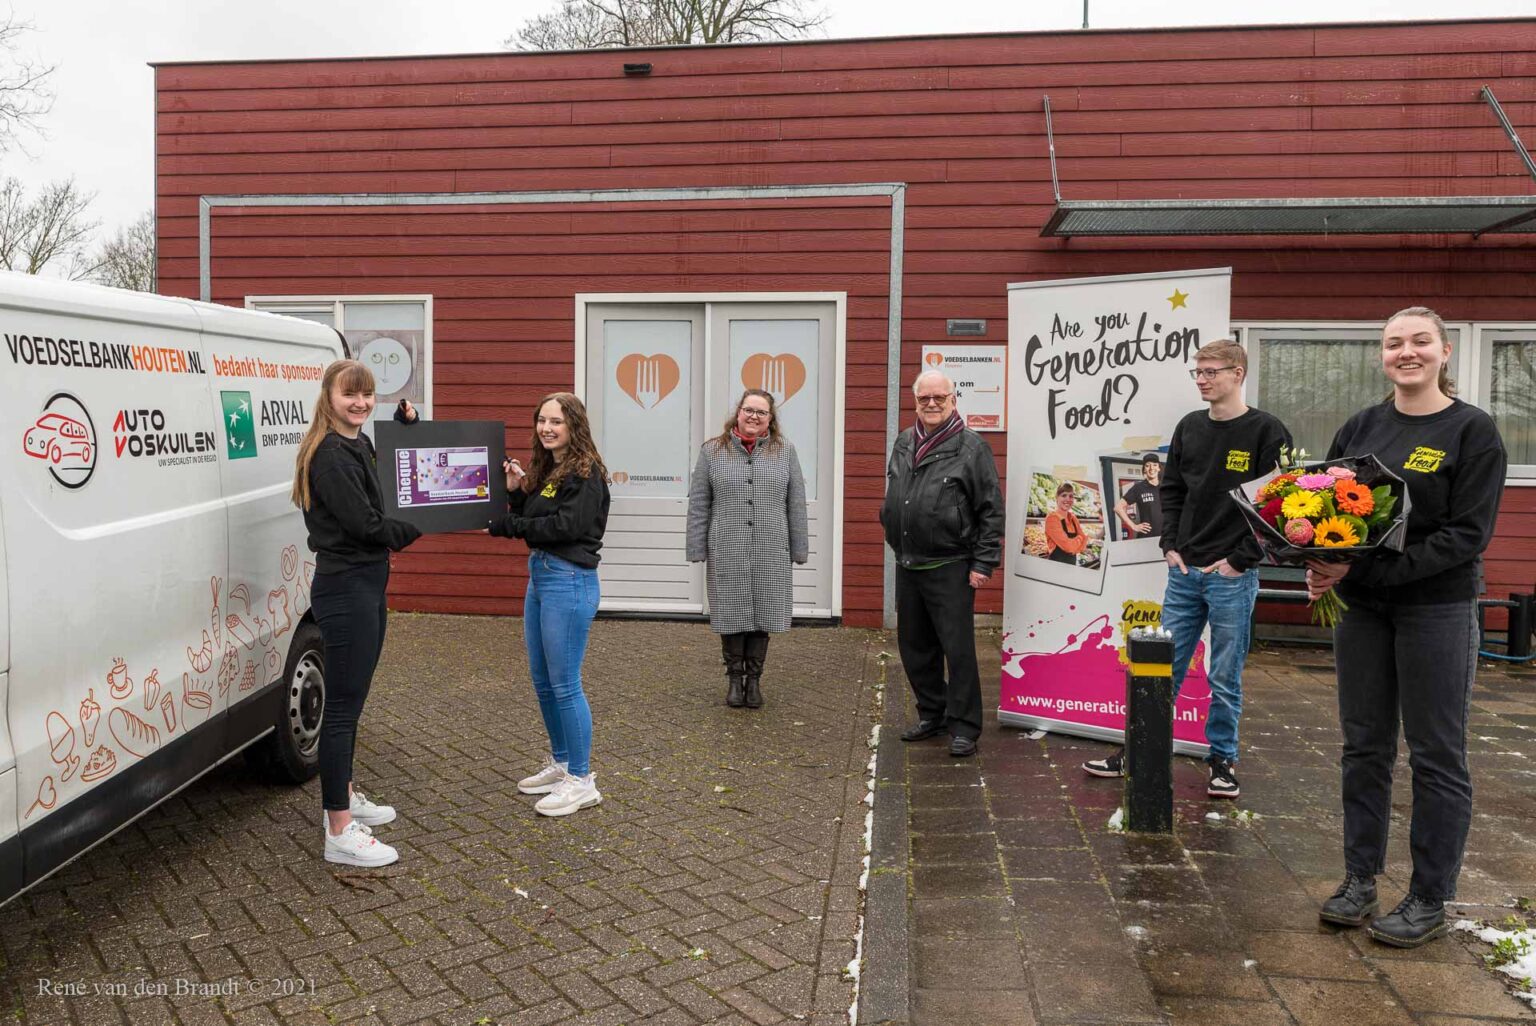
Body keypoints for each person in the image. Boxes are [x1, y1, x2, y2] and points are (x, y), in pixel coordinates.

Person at [1308, 307, 1506, 947]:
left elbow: (1466, 537)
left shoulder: (1471, 431)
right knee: (1363, 746)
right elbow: (1324, 502)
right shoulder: (1362, 426)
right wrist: (1320, 559)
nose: (1407, 352)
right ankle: (1359, 878)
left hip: (1437, 610)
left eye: (1420, 341)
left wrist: (1364, 575)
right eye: (1395, 344)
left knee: (1435, 754)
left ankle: (1428, 896)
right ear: (1382, 356)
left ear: (1445, 351)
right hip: (1364, 614)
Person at [1083, 339, 1291, 799]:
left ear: (1238, 373)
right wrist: (1169, 544)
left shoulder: (1266, 431)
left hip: (1231, 577)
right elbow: (1172, 491)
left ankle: (1222, 760)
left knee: (1224, 674)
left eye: (1211, 371)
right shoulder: (1189, 427)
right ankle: (1136, 751)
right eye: (1197, 371)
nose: (1201, 379)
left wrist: (1239, 562)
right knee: (1160, 667)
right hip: (1184, 571)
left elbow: (1277, 508)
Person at [293, 360, 422, 868]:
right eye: (351, 395)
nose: (361, 403)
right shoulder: (329, 456)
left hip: (366, 582)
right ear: (329, 396)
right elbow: (368, 524)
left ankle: (344, 792)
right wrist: (417, 526)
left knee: (354, 695)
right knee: (342, 707)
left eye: (368, 395)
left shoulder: (356, 444)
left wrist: (408, 428)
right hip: (346, 587)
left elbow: (386, 472)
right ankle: (339, 829)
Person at [489, 392, 611, 818]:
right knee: (542, 680)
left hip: (569, 581)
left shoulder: (587, 473)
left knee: (565, 683)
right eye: (542, 420)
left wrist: (512, 525)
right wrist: (518, 494)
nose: (547, 428)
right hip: (542, 577)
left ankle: (582, 780)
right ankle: (561, 764)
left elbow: (566, 526)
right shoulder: (552, 469)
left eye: (556, 422)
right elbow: (540, 514)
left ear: (574, 425)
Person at [881, 368, 1004, 758]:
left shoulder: (972, 447)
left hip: (951, 563)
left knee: (958, 649)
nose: (931, 404)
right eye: (924, 399)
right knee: (915, 646)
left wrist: (983, 563)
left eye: (939, 398)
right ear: (915, 401)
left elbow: (990, 509)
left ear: (954, 400)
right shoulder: (904, 441)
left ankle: (965, 726)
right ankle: (932, 714)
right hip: (909, 561)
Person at [686, 388, 809, 708]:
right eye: (748, 410)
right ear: (738, 412)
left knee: (763, 616)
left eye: (762, 412)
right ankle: (734, 681)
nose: (754, 416)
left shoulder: (785, 452)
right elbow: (699, 502)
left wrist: (799, 547)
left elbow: (795, 502)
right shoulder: (712, 451)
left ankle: (754, 681)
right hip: (727, 545)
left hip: (771, 546)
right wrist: (696, 546)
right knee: (731, 615)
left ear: (771, 419)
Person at [1115, 453, 1164, 540]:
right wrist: (1134, 526)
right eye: (1147, 466)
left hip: (1166, 538)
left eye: (1154, 465)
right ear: (1144, 469)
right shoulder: (1138, 488)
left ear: (1159, 468)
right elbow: (1118, 508)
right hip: (1147, 538)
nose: (1151, 468)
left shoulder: (1166, 487)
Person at [1044, 482, 1087, 565]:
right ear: (1057, 498)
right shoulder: (1052, 518)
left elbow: (1084, 543)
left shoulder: (1073, 518)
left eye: (1071, 496)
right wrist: (1079, 539)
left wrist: (1077, 542)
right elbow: (1069, 547)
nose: (1068, 499)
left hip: (1072, 565)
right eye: (1064, 495)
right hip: (1056, 567)